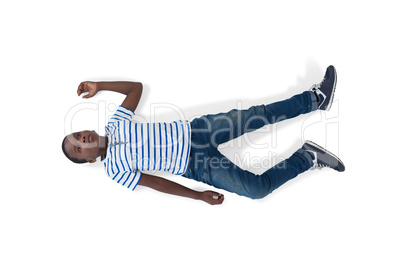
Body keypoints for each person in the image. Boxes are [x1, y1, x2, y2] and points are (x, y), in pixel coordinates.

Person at [62, 66, 345, 205]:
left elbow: (135, 88)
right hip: (197, 167)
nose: (81, 140)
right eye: (77, 148)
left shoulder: (116, 122)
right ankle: (307, 157)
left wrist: (100, 84)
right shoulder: (114, 170)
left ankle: (315, 99)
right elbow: (157, 183)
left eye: (78, 135)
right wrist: (197, 196)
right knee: (256, 190)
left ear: (86, 129)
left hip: (198, 131)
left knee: (258, 115)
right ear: (88, 161)